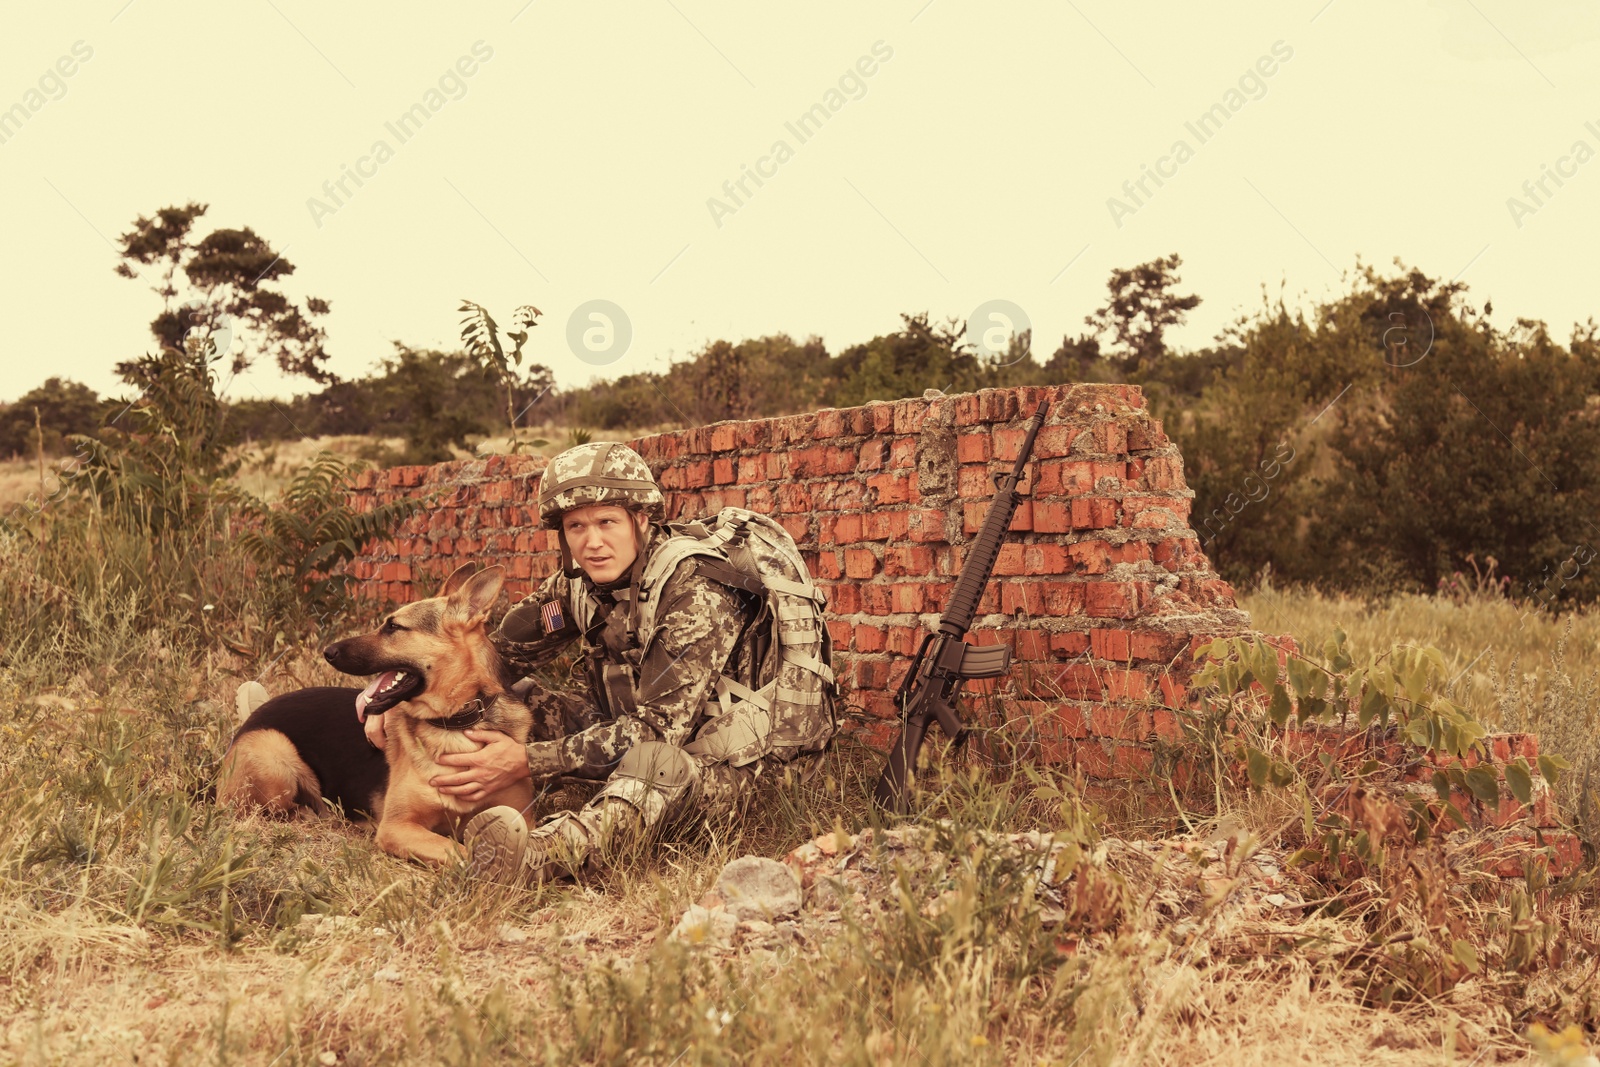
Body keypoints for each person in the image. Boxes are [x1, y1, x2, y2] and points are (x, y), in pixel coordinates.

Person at [366, 440, 812, 883]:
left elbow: (658, 732)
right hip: (630, 734)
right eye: (576, 526)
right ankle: (440, 801)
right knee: (511, 700)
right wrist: (390, 694)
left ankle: (532, 858)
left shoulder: (695, 592)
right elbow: (491, 661)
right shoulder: (579, 584)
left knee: (656, 765)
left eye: (606, 522)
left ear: (640, 519)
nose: (592, 542)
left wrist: (527, 760)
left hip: (734, 768)